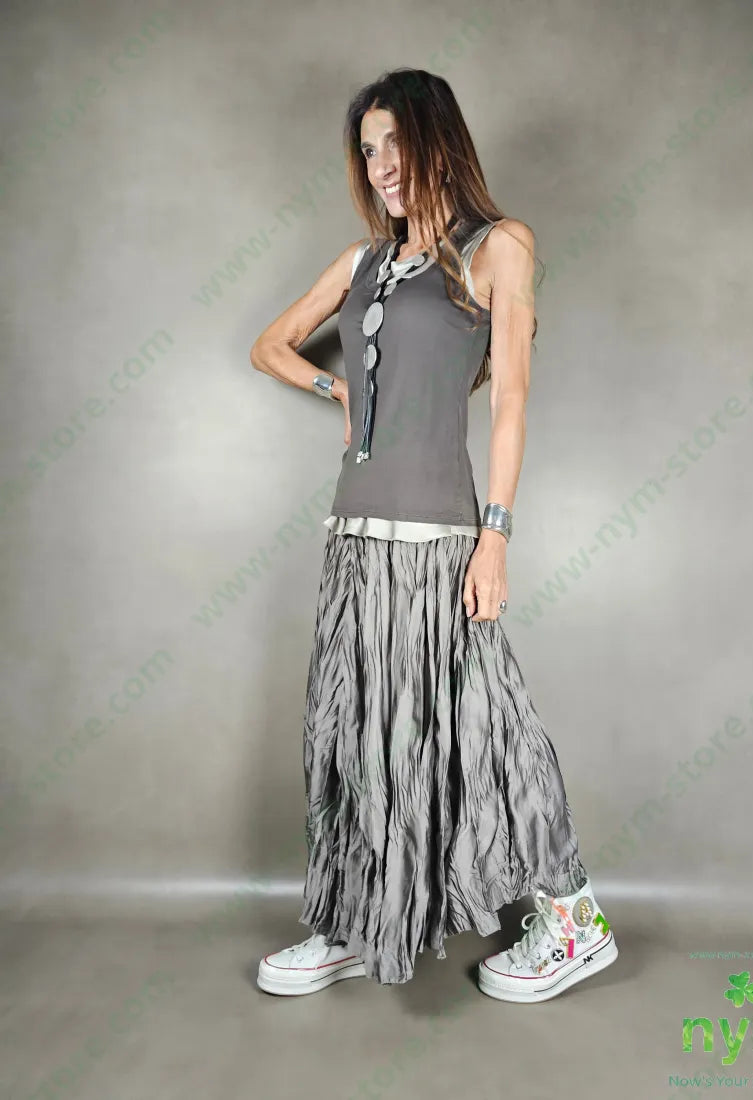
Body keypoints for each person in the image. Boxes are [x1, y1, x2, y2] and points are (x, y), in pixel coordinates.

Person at [249, 67, 618, 1003]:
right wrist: (338, 388)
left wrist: (496, 536)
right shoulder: (362, 261)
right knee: (351, 730)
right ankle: (354, 919)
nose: (380, 165)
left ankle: (573, 925)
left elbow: (511, 401)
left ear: (436, 140)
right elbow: (269, 345)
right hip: (353, 534)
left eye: (395, 143)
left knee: (486, 732)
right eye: (367, 150)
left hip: (440, 540)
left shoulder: (499, 246)